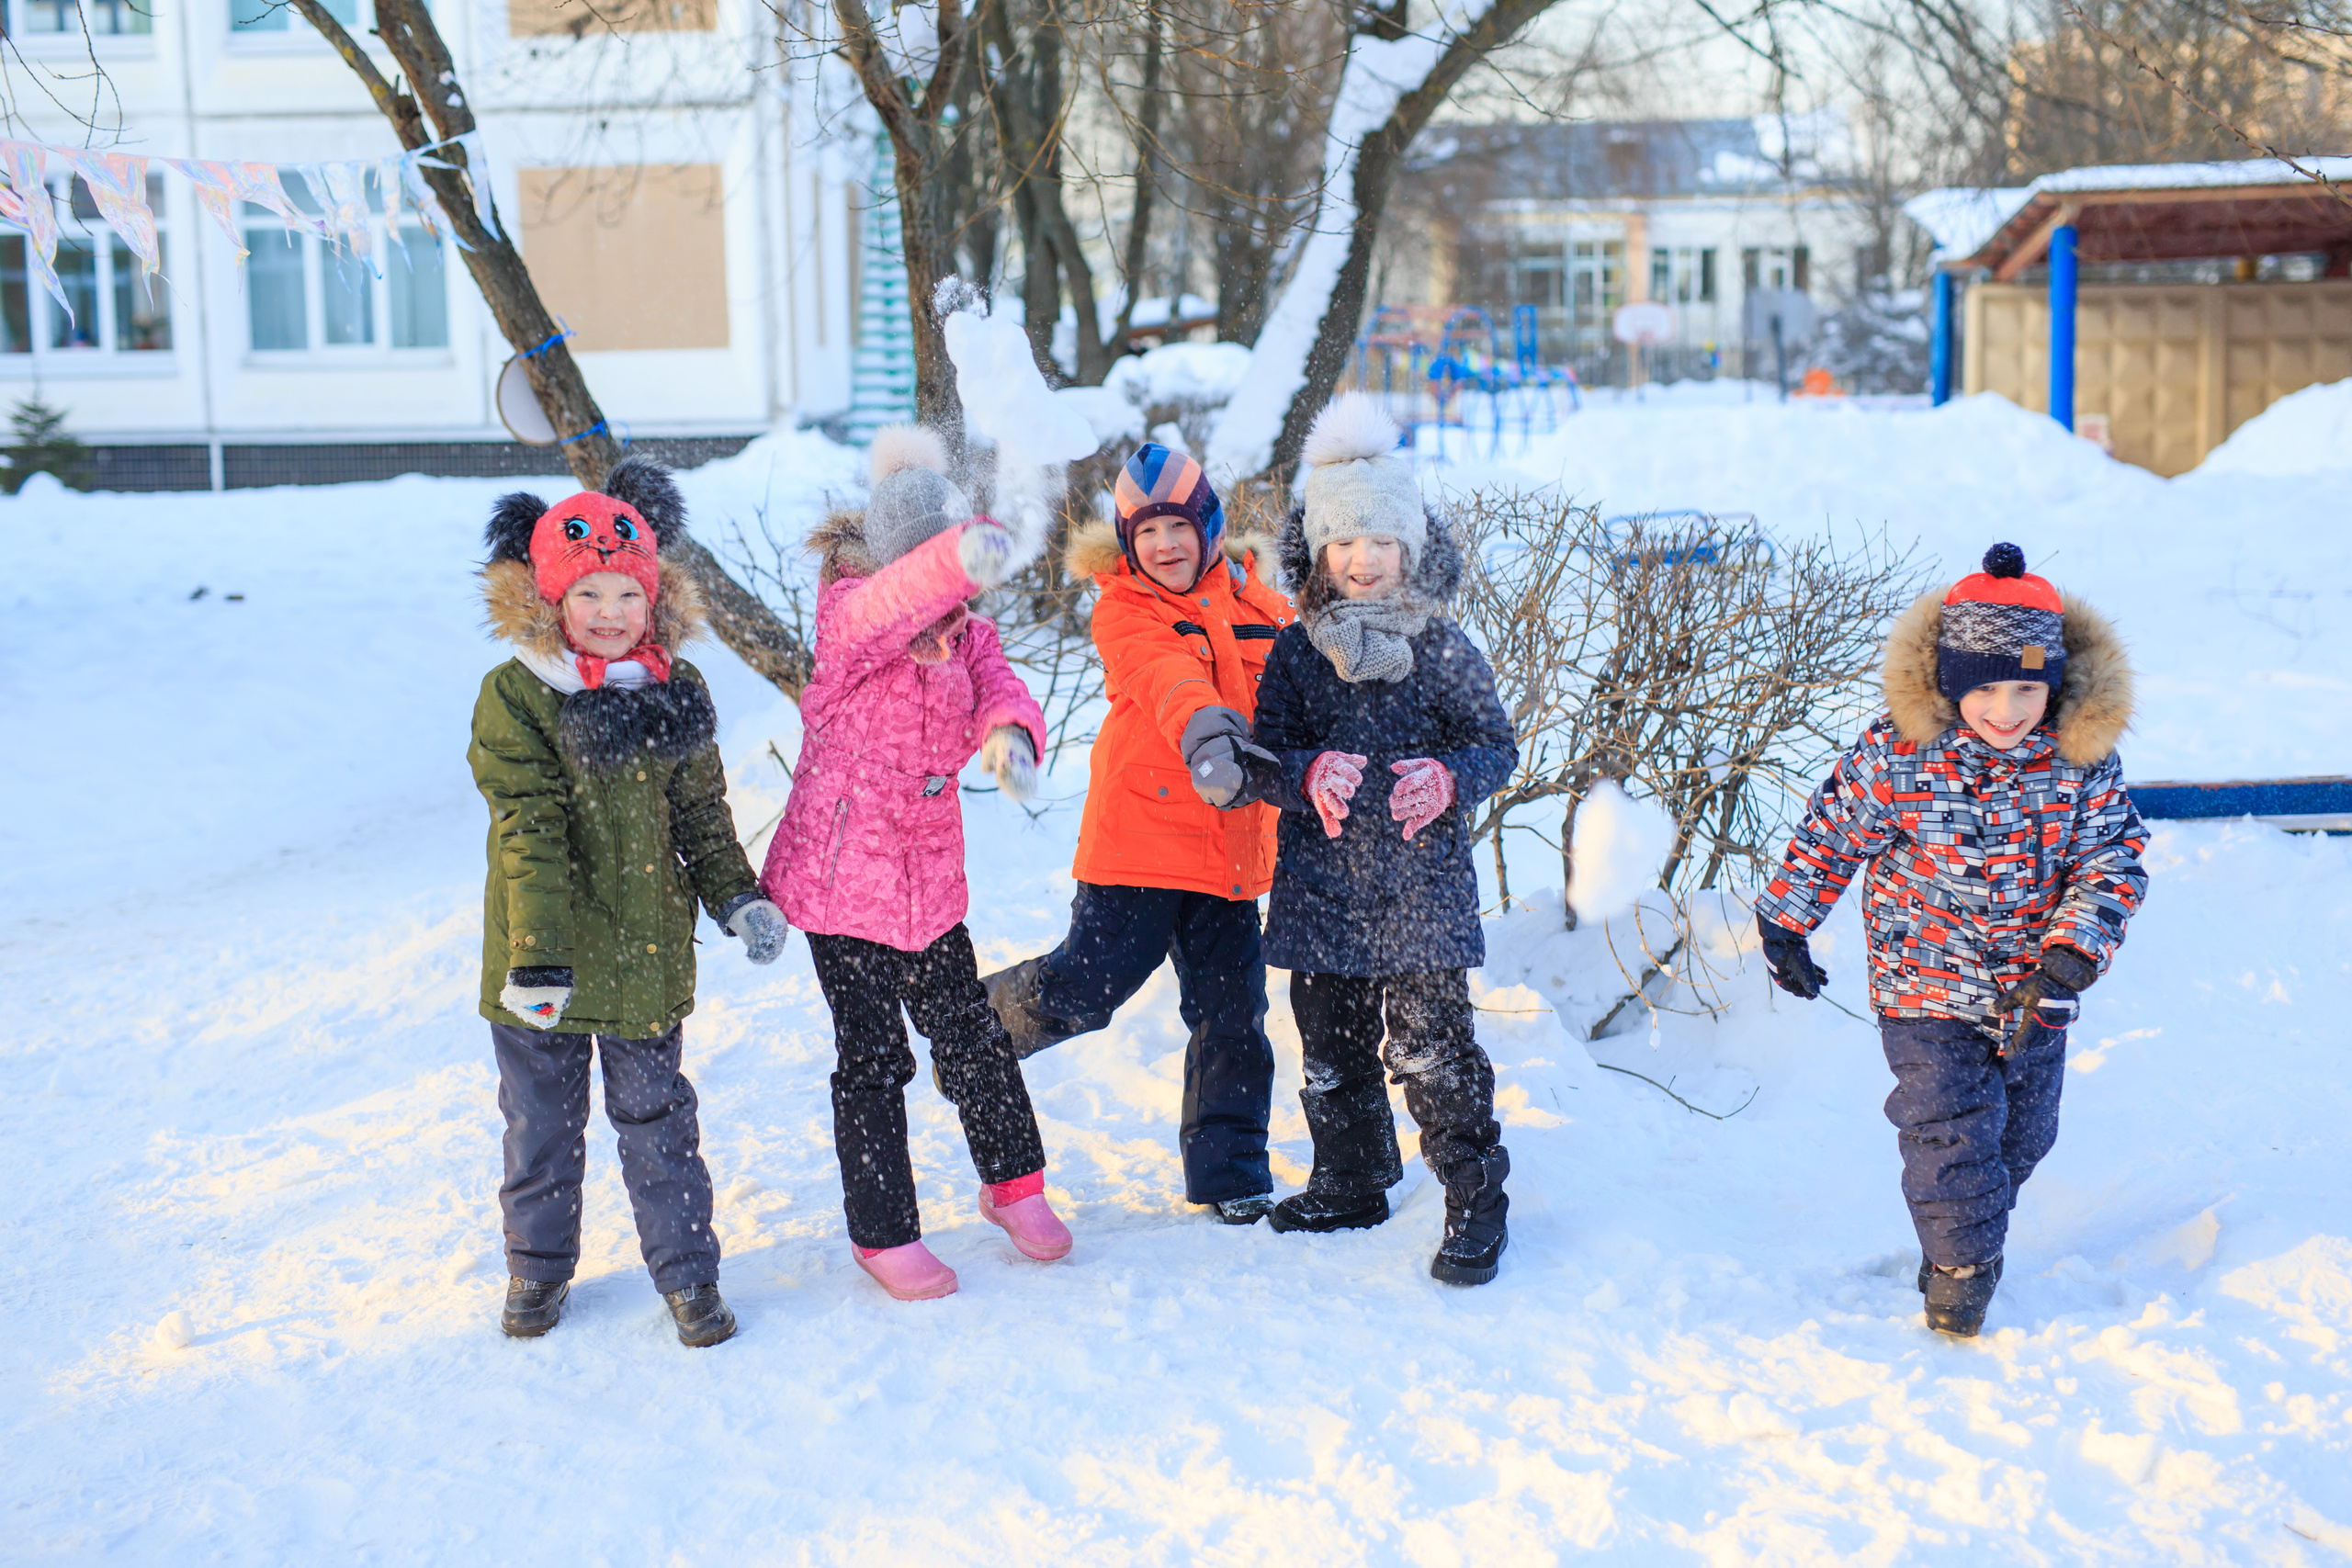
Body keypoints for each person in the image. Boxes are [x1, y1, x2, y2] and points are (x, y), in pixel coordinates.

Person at [1756, 542, 2147, 1337]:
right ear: (1952, 684)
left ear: (2056, 684)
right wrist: (1787, 920)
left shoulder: (2081, 763)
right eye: (1987, 690)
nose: (2007, 710)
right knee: (1948, 1132)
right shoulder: (1899, 754)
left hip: (2035, 991)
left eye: (2028, 688)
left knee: (2023, 1136)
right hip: (1923, 984)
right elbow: (1832, 832)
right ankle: (1959, 1274)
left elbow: (2114, 859)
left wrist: (2072, 953)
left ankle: (1970, 1233)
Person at [469, 457, 789, 1348]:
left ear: (655, 601)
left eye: (627, 595)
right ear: (549, 601)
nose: (609, 615)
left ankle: (688, 1276)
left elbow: (700, 811)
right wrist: (538, 954)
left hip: (647, 947)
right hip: (544, 962)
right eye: (588, 596)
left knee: (657, 1123)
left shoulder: (675, 690)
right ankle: (535, 1272)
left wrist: (737, 898)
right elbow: (526, 827)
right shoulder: (518, 695)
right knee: (541, 1124)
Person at [761, 426, 1072, 1303]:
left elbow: (999, 676)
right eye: (937, 569)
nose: (949, 601)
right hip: (839, 886)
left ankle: (1015, 1184)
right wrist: (956, 559)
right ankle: (883, 1232)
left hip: (927, 882)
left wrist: (1009, 733)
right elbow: (894, 602)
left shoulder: (963, 630)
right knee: (873, 1059)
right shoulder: (853, 622)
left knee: (972, 1032)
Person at [979, 445, 1296, 1224]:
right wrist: (1206, 734)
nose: (1161, 545)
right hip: (1142, 842)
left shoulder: (1263, 608)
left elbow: (1302, 684)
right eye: (1145, 531)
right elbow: (1166, 677)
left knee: (1233, 1012)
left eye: (1176, 527)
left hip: (1226, 851)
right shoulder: (1124, 606)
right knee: (1091, 984)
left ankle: (1233, 1174)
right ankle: (979, 1024)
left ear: (1209, 527)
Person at [1246, 395, 1521, 1286]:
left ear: (1410, 548)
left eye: (1381, 542)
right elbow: (1266, 754)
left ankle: (1475, 1200)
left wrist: (1449, 777)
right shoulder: (1294, 653)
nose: (1363, 560)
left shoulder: (1441, 646)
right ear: (1318, 553)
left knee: (1433, 1050)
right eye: (1344, 543)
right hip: (1323, 881)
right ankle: (1353, 1177)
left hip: (1418, 887)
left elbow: (1493, 744)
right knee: (1330, 1046)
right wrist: (1299, 774)